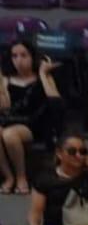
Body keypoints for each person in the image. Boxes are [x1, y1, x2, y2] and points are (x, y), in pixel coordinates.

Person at [1, 40, 63, 195]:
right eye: (14, 56)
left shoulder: (43, 77)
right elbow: (5, 107)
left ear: (32, 57)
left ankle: (21, 177)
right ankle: (8, 177)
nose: (19, 60)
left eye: (23, 55)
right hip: (9, 120)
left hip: (34, 124)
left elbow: (56, 103)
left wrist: (43, 73)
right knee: (4, 132)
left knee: (9, 135)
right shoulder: (6, 79)